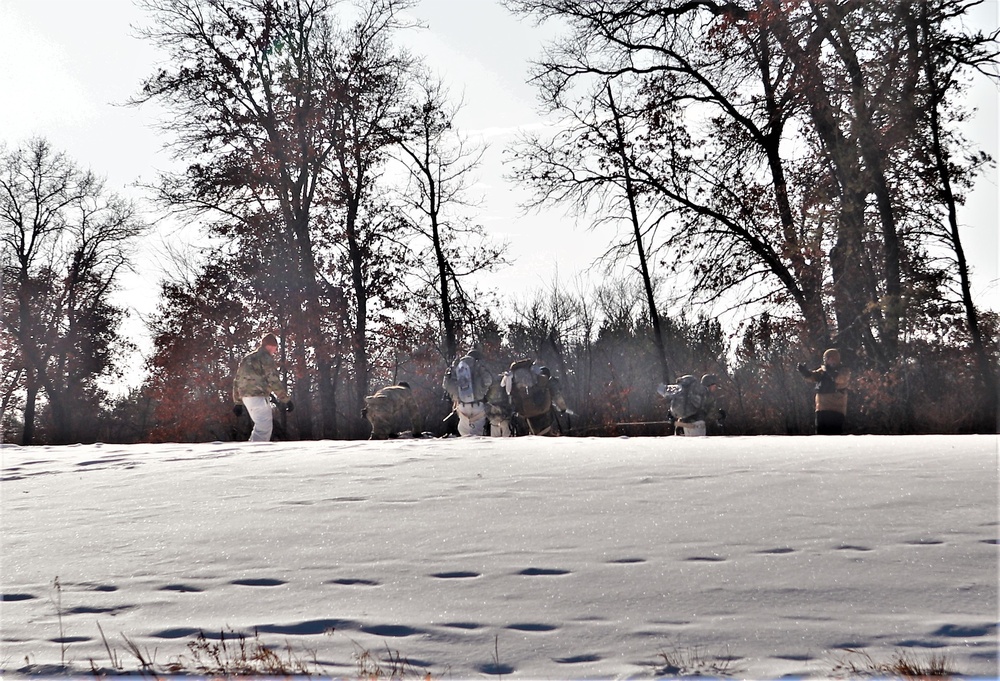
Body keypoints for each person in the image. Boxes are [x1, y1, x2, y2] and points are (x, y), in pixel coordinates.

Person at [232, 332, 293, 442]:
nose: (276, 351)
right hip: (258, 396)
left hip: (246, 398)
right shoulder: (265, 358)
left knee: (260, 426)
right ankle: (254, 454)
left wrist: (238, 402)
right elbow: (273, 380)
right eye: (276, 347)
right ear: (270, 346)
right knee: (263, 428)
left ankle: (253, 450)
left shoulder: (247, 358)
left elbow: (237, 380)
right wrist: (286, 400)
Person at [501, 359, 569, 436]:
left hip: (526, 414)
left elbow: (510, 397)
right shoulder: (546, 382)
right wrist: (563, 409)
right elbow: (558, 399)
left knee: (534, 435)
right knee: (547, 434)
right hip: (543, 412)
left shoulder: (517, 386)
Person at [798, 348, 850, 435]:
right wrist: (805, 373)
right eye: (826, 358)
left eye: (829, 358)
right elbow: (814, 377)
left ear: (835, 358)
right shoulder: (823, 370)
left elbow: (840, 379)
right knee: (821, 435)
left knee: (835, 435)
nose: (827, 360)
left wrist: (830, 372)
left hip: (836, 410)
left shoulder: (843, 370)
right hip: (821, 409)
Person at [442, 349, 495, 436]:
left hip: (462, 407)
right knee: (477, 434)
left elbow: (446, 385)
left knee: (464, 432)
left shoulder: (458, 366)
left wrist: (456, 395)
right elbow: (488, 381)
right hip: (478, 406)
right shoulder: (478, 366)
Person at [657, 373, 722, 437]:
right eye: (715, 386)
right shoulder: (707, 395)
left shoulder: (688, 389)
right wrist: (720, 415)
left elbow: (664, 391)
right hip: (696, 426)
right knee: (696, 447)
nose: (715, 388)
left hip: (680, 424)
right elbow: (711, 415)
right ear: (710, 385)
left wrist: (671, 414)